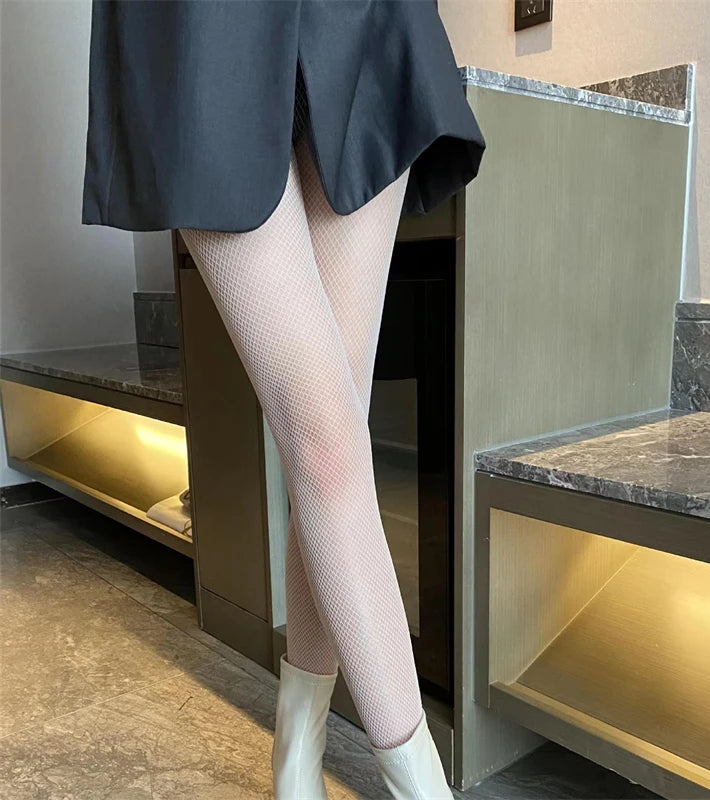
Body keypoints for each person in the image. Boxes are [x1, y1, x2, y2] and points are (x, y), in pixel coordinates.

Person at [81, 2, 485, 797]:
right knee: (325, 446)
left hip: (364, 16)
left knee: (335, 451)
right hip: (202, 25)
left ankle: (298, 745)